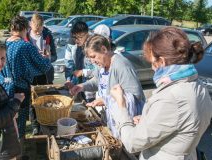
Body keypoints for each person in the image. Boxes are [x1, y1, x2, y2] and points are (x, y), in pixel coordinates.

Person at [110, 26, 212, 160]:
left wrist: (121, 106)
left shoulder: (171, 97)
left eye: (153, 63)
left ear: (162, 61)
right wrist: (149, 120)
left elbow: (132, 143)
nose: (152, 68)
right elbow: (184, 123)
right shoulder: (198, 85)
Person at [0, 16, 51, 157]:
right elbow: (44, 66)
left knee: (7, 122)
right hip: (20, 89)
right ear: (25, 29)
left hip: (3, 88)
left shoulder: (3, 44)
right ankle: (18, 155)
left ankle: (10, 152)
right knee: (20, 124)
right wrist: (46, 56)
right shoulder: (25, 46)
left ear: (12, 28)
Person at [65, 21, 96, 102]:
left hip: (93, 92)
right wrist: (70, 81)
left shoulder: (94, 46)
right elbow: (72, 66)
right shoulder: (77, 47)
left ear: (86, 33)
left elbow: (99, 70)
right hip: (81, 89)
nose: (77, 40)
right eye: (75, 37)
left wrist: (83, 72)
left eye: (80, 37)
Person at [28, 13, 57, 84]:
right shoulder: (26, 37)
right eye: (35, 31)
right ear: (30, 24)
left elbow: (54, 56)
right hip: (31, 75)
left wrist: (48, 57)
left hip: (46, 74)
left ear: (43, 26)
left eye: (40, 30)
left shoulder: (48, 35)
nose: (38, 33)